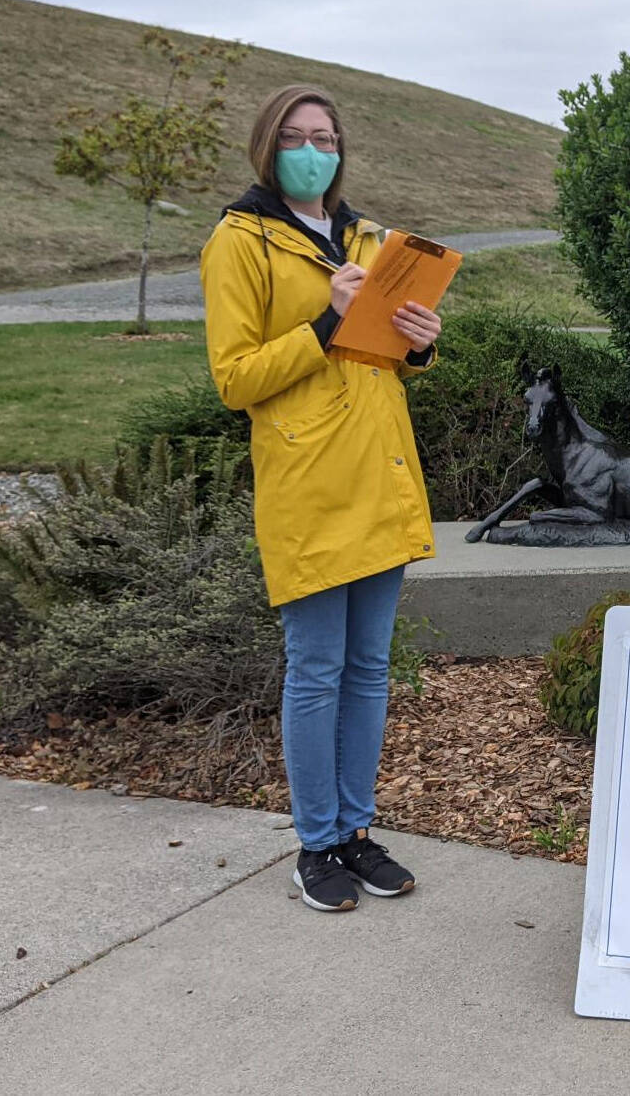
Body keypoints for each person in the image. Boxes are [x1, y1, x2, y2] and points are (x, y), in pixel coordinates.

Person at [202, 84, 441, 912]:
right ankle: (316, 845)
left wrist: (415, 345)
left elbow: (378, 355)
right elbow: (234, 379)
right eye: (299, 137)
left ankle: (355, 830)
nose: (315, 150)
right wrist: (322, 325)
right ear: (269, 147)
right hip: (308, 483)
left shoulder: (369, 238)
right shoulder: (238, 243)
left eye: (328, 137)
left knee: (368, 670)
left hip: (378, 473)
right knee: (316, 670)